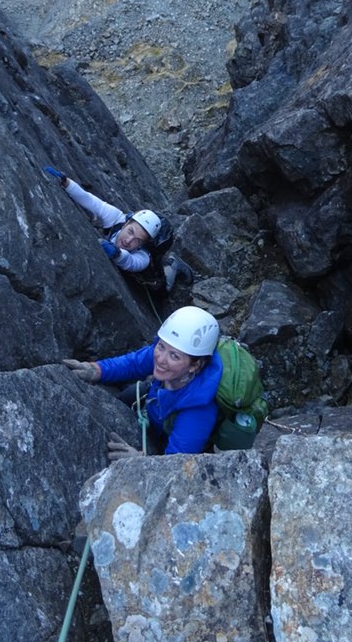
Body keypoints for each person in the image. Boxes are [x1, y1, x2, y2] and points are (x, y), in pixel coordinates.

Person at [63, 306, 221, 457]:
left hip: (166, 436)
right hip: (155, 406)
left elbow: (177, 462)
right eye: (161, 346)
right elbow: (133, 363)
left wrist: (138, 462)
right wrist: (97, 370)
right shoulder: (168, 354)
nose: (160, 359)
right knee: (127, 396)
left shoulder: (198, 412)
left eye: (174, 356)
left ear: (195, 365)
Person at [44, 166, 192, 291]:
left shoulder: (144, 257)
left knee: (162, 291)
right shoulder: (117, 218)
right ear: (126, 223)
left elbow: (131, 262)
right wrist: (65, 182)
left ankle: (173, 263)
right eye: (130, 231)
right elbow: (90, 200)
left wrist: (116, 253)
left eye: (137, 240)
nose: (128, 241)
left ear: (142, 245)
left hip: (149, 280)